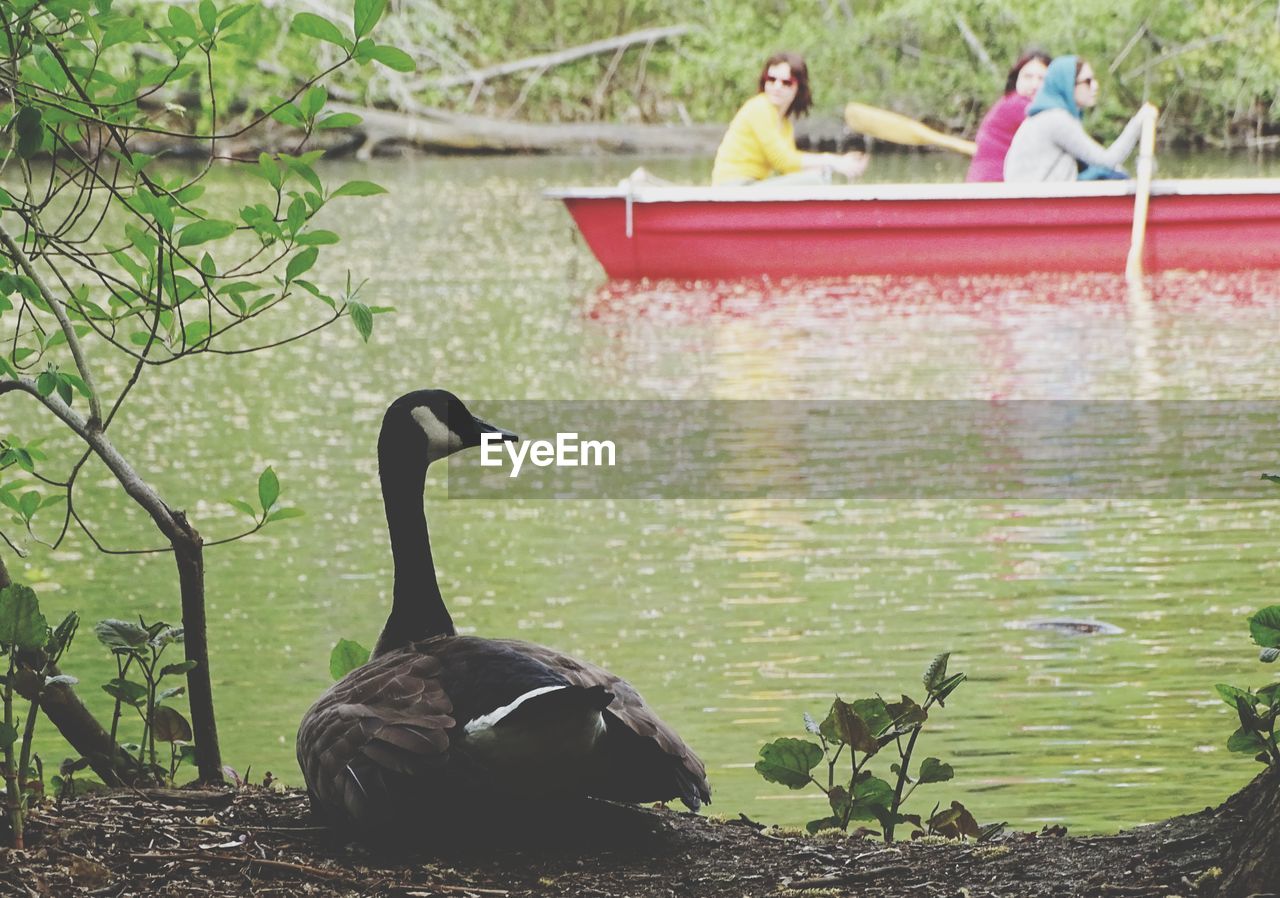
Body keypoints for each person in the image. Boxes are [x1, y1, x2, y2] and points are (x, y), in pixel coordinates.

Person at [711, 52, 868, 186]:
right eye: (771, 79)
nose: (777, 86)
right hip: (734, 188)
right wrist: (832, 161)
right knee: (817, 180)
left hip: (752, 186)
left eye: (786, 82)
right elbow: (782, 160)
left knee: (818, 175)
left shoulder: (784, 123)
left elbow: (790, 167)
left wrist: (838, 164)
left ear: (798, 88)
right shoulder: (759, 107)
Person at [1003, 55, 1157, 183]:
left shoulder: (1047, 116)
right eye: (1088, 81)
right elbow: (1108, 160)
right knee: (1109, 173)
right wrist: (1138, 122)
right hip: (1039, 203)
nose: (1095, 86)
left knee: (1114, 174)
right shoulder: (1055, 120)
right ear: (1068, 86)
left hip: (1041, 196)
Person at [966, 50, 1051, 182]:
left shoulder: (1009, 102)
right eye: (1028, 77)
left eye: (1042, 78)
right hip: (994, 187)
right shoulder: (1017, 105)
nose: (1035, 85)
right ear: (1016, 79)